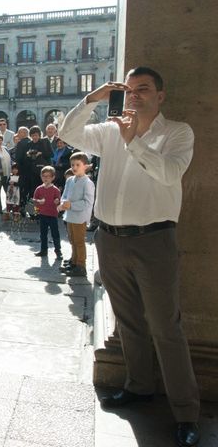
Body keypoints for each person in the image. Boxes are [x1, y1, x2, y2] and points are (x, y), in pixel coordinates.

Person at [59, 67, 200, 446]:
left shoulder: (177, 132)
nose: (134, 95)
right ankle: (138, 386)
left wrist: (134, 141)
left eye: (143, 89)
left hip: (154, 240)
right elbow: (68, 134)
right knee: (129, 322)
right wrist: (93, 99)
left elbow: (170, 174)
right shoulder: (109, 130)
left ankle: (186, 413)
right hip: (110, 239)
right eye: (129, 89)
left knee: (166, 328)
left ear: (160, 95)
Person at [57, 153, 95, 277]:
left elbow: (88, 202)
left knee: (79, 241)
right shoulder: (70, 180)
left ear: (85, 166)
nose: (74, 167)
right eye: (72, 165)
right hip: (70, 216)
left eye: (78, 165)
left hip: (80, 217)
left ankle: (81, 265)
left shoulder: (87, 182)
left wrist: (71, 205)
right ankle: (74, 261)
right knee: (72, 240)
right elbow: (65, 195)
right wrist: (63, 203)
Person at [32, 166, 62, 259]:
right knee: (43, 234)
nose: (46, 178)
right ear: (41, 177)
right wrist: (38, 201)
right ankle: (43, 250)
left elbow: (59, 200)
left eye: (48, 176)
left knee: (55, 234)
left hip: (52, 215)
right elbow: (34, 199)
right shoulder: (39, 189)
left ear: (53, 177)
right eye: (44, 176)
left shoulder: (55, 190)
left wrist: (57, 201)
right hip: (42, 214)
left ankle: (58, 251)